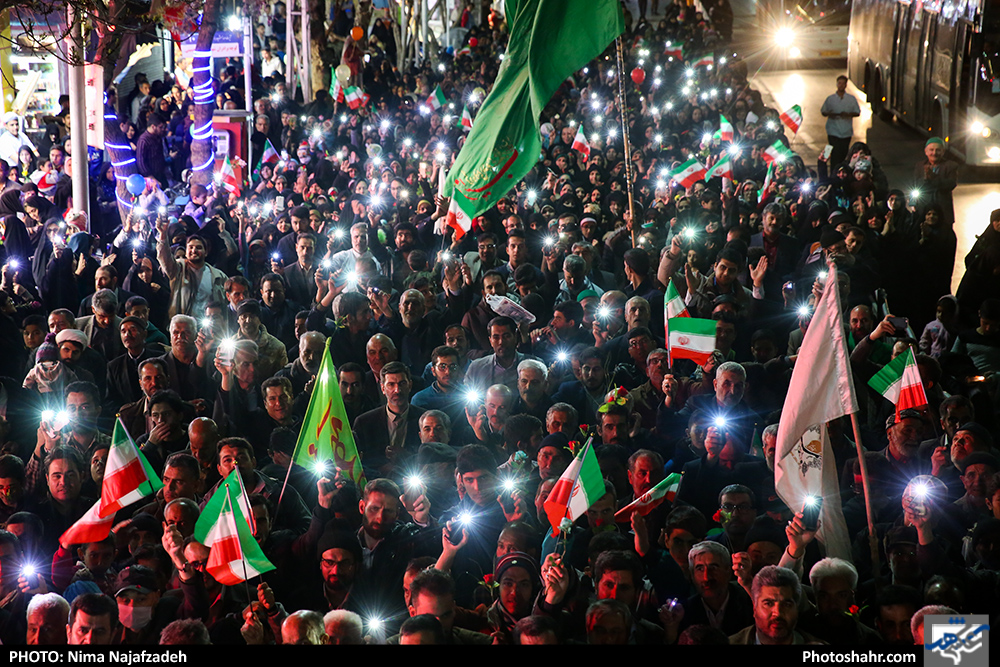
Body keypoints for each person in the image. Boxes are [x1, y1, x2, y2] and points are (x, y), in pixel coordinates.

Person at [820, 75, 861, 167]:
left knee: (843, 152)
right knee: (834, 152)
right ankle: (832, 170)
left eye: (843, 83)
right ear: (837, 84)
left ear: (846, 85)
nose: (841, 85)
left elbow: (857, 112)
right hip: (833, 131)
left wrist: (848, 114)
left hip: (846, 132)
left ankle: (842, 171)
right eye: (839, 83)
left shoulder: (851, 99)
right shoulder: (830, 99)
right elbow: (823, 111)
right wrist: (831, 114)